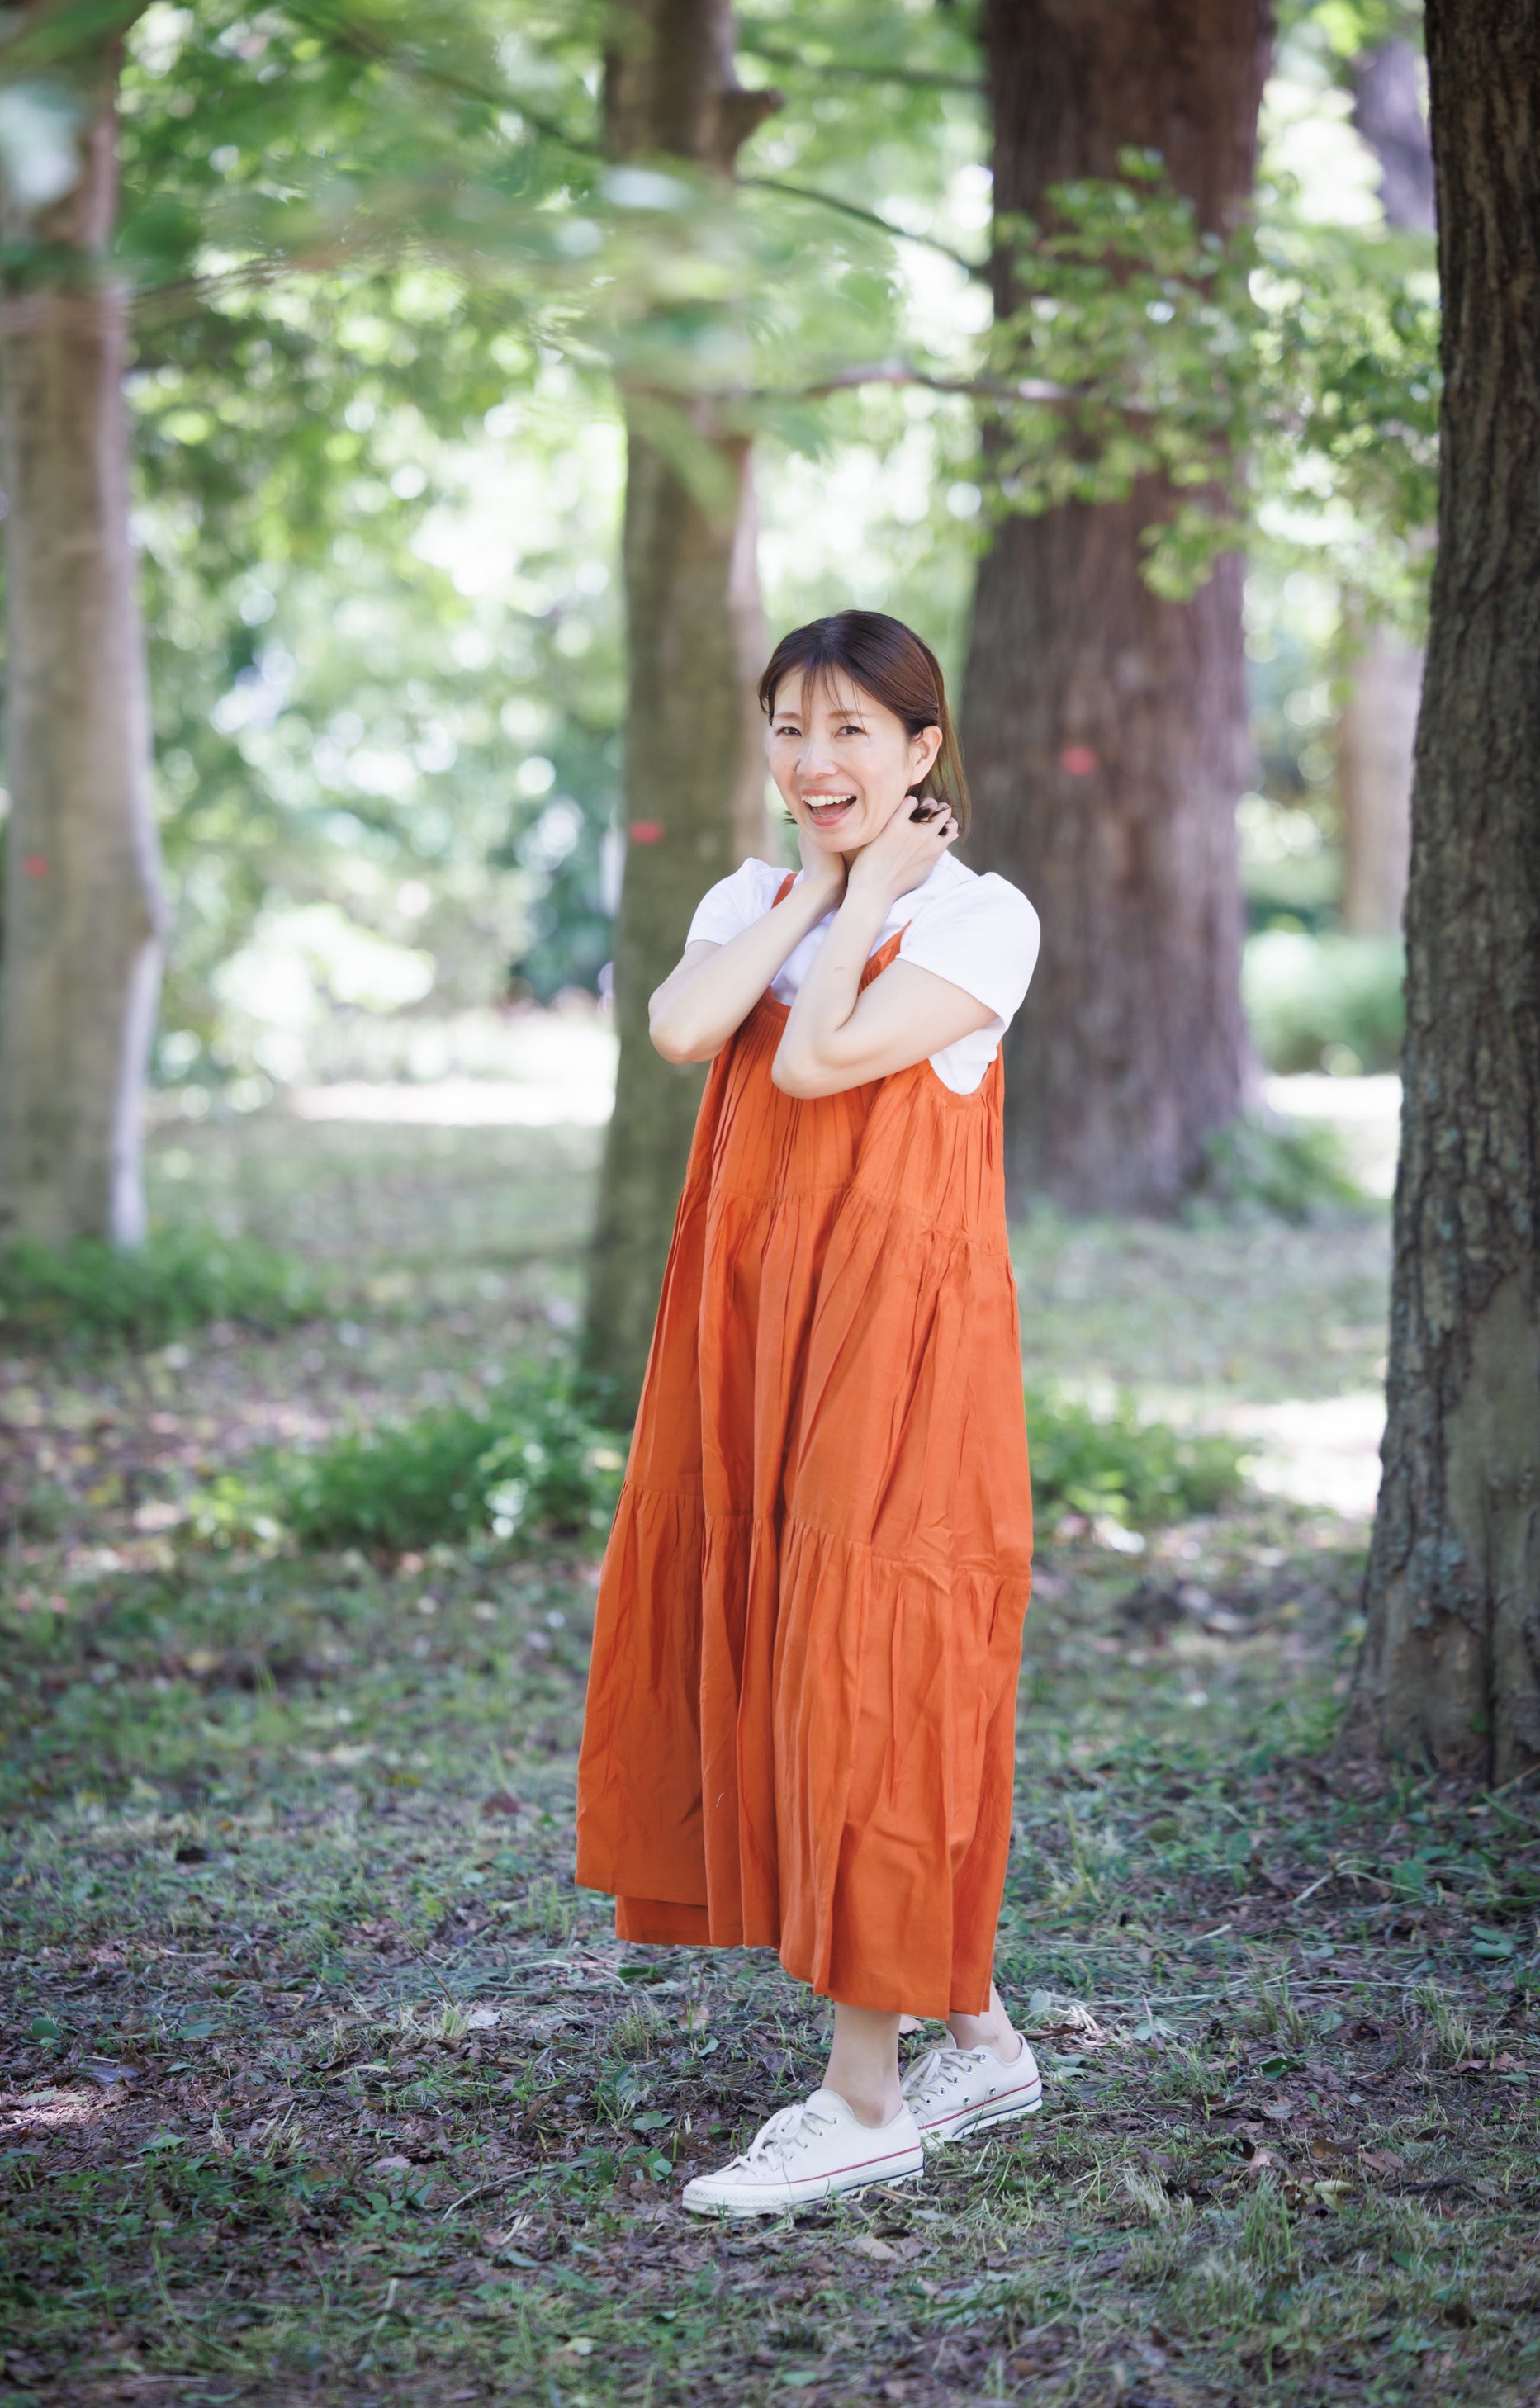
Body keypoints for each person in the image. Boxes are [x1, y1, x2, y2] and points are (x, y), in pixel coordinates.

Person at [576, 610, 1042, 2216]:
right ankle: (971, 2033)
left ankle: (866, 2099)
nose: (813, 760)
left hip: (899, 1354)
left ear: (923, 752)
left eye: (851, 730)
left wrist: (857, 904)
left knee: (876, 1671)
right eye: (789, 728)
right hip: (751, 1334)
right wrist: (822, 893)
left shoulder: (987, 920)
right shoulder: (748, 897)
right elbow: (686, 1028)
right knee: (778, 1647)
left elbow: (818, 1062)